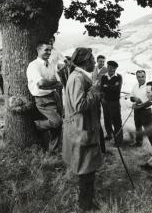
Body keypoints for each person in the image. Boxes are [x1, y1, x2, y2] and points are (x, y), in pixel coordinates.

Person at [63, 47, 102, 212]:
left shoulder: (77, 76)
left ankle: (85, 201)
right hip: (82, 130)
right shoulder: (77, 78)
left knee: (86, 168)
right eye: (93, 60)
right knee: (86, 170)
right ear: (86, 62)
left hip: (83, 128)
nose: (95, 62)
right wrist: (95, 88)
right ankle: (85, 205)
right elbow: (80, 105)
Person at [26, 41, 63, 153]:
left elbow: (59, 82)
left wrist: (51, 83)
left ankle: (53, 150)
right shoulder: (33, 65)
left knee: (57, 126)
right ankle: (35, 126)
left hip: (54, 95)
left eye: (50, 50)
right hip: (42, 99)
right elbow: (41, 83)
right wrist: (53, 83)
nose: (49, 52)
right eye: (46, 50)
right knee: (57, 122)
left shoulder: (51, 64)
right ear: (38, 50)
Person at [129, 70, 152, 153]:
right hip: (137, 112)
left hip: (146, 112)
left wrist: (139, 106)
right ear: (136, 77)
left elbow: (151, 101)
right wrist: (135, 99)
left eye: (143, 76)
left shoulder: (149, 87)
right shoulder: (135, 86)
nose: (141, 78)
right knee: (138, 127)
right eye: (139, 77)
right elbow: (131, 97)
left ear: (145, 77)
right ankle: (139, 142)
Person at [100, 60, 123, 145]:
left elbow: (117, 89)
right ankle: (109, 135)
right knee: (107, 120)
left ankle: (119, 140)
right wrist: (110, 87)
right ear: (107, 67)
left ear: (116, 68)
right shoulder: (103, 77)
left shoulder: (119, 77)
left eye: (113, 68)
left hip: (115, 103)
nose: (111, 69)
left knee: (117, 121)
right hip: (105, 102)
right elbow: (102, 89)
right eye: (109, 67)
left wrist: (107, 86)